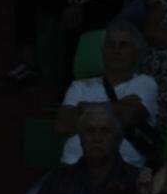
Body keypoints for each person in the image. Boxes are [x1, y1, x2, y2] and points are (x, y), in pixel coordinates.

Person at [55, 21, 159, 169]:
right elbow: (62, 125)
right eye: (111, 44)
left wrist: (82, 108)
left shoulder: (145, 83)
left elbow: (127, 115)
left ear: (135, 53)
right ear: (103, 51)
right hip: (72, 167)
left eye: (123, 45)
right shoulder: (79, 86)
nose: (116, 50)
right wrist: (116, 110)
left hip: (122, 172)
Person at [30, 105, 139, 194]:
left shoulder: (135, 180)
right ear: (81, 139)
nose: (97, 138)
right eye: (90, 131)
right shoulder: (58, 180)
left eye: (105, 131)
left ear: (118, 139)